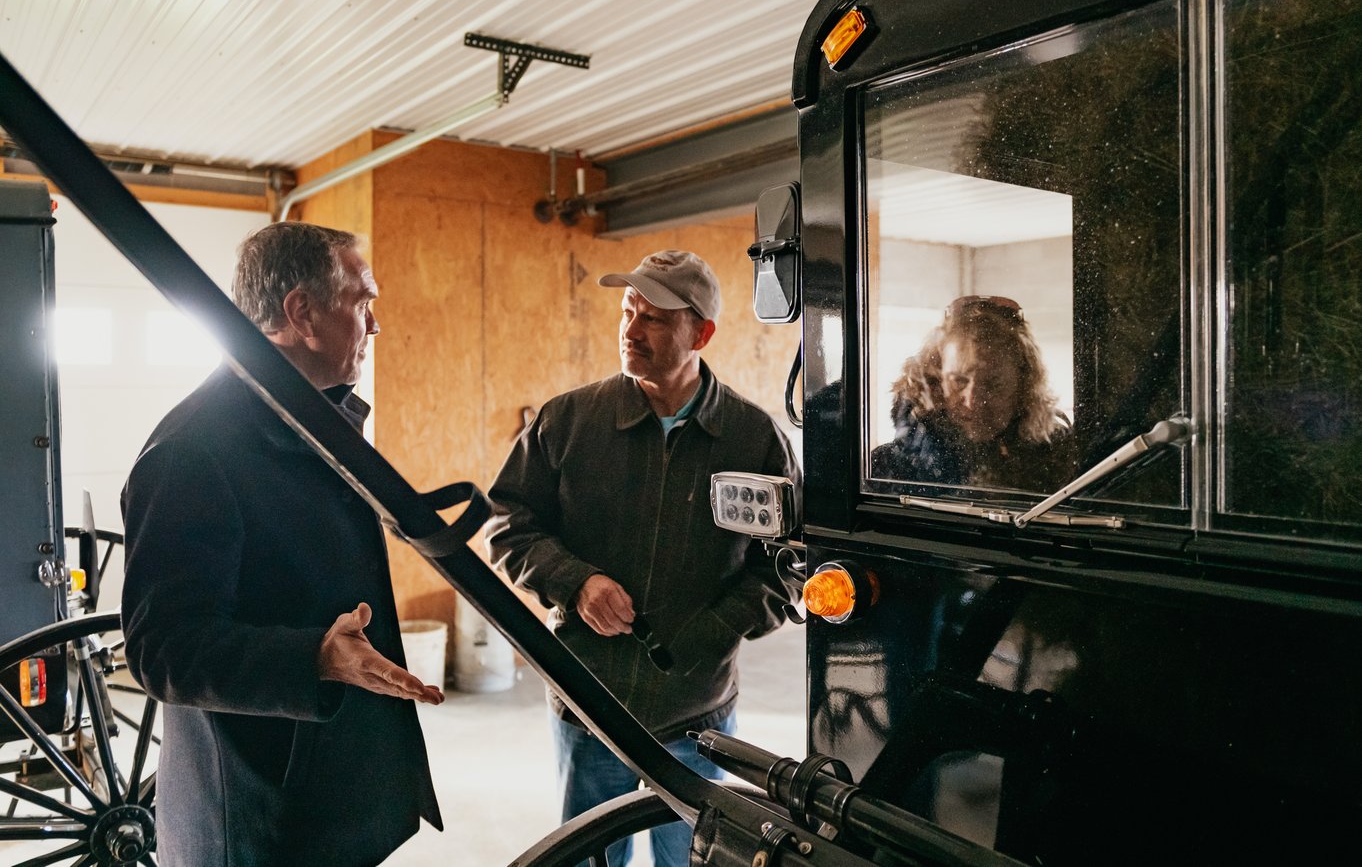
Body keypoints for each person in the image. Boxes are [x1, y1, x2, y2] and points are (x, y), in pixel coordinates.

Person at [121, 222, 444, 867]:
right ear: (302, 313)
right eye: (361, 302)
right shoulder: (194, 451)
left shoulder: (317, 421)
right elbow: (160, 650)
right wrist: (314, 659)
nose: (374, 326)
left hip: (327, 790)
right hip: (256, 811)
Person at [487, 249, 799, 867]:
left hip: (696, 716)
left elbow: (785, 569)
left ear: (701, 333)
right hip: (589, 704)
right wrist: (576, 583)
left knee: (689, 858)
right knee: (586, 856)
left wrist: (706, 635)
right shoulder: (568, 421)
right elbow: (508, 524)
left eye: (655, 318)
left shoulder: (752, 438)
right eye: (629, 310)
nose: (631, 330)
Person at [870, 295, 1073, 490]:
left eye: (994, 384)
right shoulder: (888, 468)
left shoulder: (1060, 463)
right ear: (937, 382)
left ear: (1023, 387)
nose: (973, 402)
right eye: (958, 381)